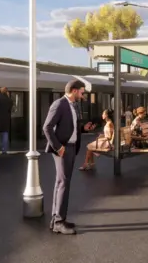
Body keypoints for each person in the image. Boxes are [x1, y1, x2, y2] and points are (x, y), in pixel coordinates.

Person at [43, 79, 97, 235]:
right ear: (74, 90)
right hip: (63, 149)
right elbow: (46, 127)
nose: (83, 94)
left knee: (62, 182)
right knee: (63, 183)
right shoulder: (59, 104)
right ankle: (59, 221)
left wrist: (83, 128)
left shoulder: (73, 105)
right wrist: (58, 147)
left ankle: (57, 219)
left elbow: (70, 127)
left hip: (71, 147)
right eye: (82, 91)